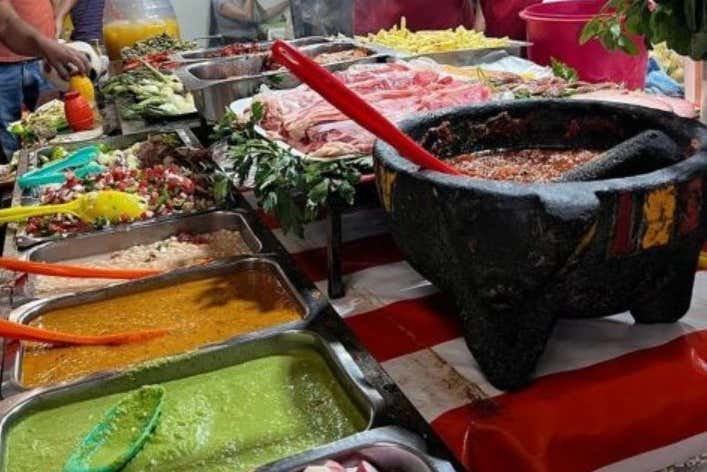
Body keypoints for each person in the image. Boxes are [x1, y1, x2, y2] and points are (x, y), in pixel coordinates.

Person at [0, 0, 87, 157]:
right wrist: (45, 45)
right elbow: (5, 23)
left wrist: (59, 17)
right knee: (12, 146)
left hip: (47, 57)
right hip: (6, 67)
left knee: (60, 135)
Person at [211, 0, 290, 41]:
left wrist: (288, 2)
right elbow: (245, 16)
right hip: (234, 44)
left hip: (255, 41)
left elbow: (264, 16)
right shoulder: (220, 1)